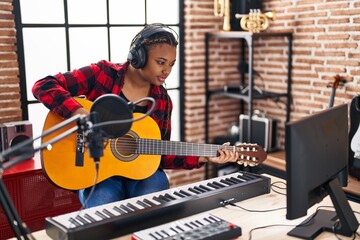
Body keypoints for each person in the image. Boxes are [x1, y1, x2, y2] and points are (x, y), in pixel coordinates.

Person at [32, 23, 239, 208]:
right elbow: (44, 85)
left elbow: (160, 153)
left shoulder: (162, 100)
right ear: (138, 56)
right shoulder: (103, 74)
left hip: (140, 173)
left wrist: (204, 155)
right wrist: (81, 113)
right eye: (161, 62)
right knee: (102, 203)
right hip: (95, 170)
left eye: (171, 64)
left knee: (154, 193)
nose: (167, 70)